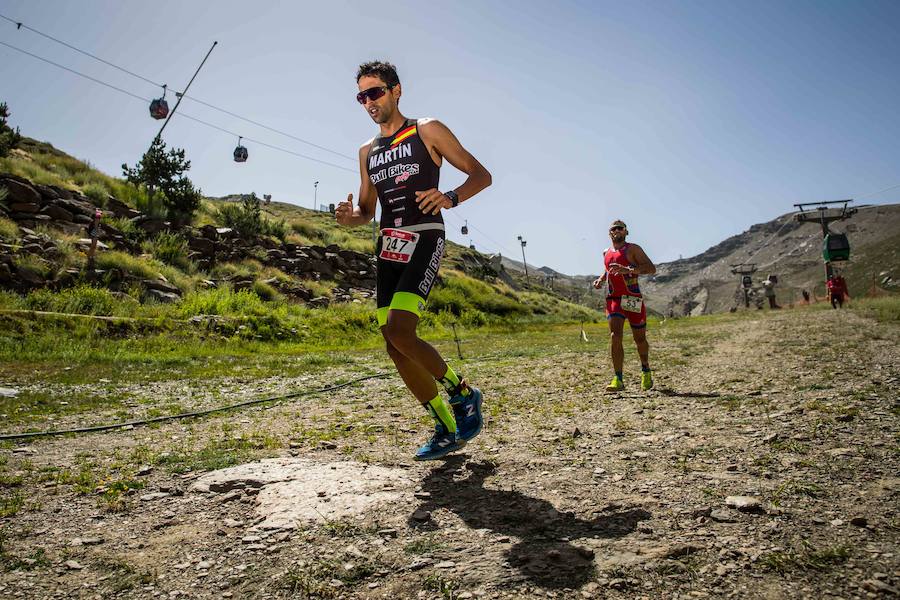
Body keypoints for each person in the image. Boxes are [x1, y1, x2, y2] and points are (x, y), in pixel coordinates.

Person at [335, 61, 492, 460]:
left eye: (376, 92)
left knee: (401, 331)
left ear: (396, 90)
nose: (369, 102)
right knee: (393, 343)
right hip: (389, 245)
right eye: (362, 96)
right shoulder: (367, 151)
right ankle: (445, 425)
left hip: (425, 236)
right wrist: (349, 217)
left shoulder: (427, 129)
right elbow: (367, 210)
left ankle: (463, 394)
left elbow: (480, 175)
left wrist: (450, 197)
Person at [592, 220, 656, 392]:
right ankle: (618, 379)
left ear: (626, 232)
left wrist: (627, 269)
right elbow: (608, 269)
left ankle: (645, 370)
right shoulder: (606, 252)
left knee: (639, 339)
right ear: (609, 233)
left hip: (632, 298)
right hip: (613, 299)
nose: (617, 231)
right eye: (613, 228)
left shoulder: (633, 249)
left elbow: (651, 268)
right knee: (615, 336)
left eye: (620, 228)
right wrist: (600, 279)